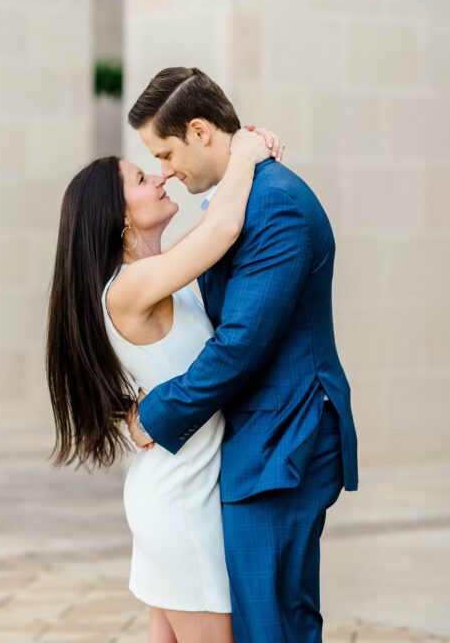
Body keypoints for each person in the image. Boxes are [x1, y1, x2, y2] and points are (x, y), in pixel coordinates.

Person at [126, 67, 358, 643]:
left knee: (273, 624)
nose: (165, 172)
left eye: (166, 152)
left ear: (201, 131)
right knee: (263, 621)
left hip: (285, 439)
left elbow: (239, 347)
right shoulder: (238, 199)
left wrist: (153, 415)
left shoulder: (275, 205)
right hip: (258, 440)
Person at [46, 125, 284, 643]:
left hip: (172, 490)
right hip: (180, 503)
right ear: (120, 215)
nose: (159, 178)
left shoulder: (155, 272)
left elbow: (213, 230)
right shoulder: (130, 285)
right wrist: (244, 152)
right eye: (140, 178)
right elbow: (221, 231)